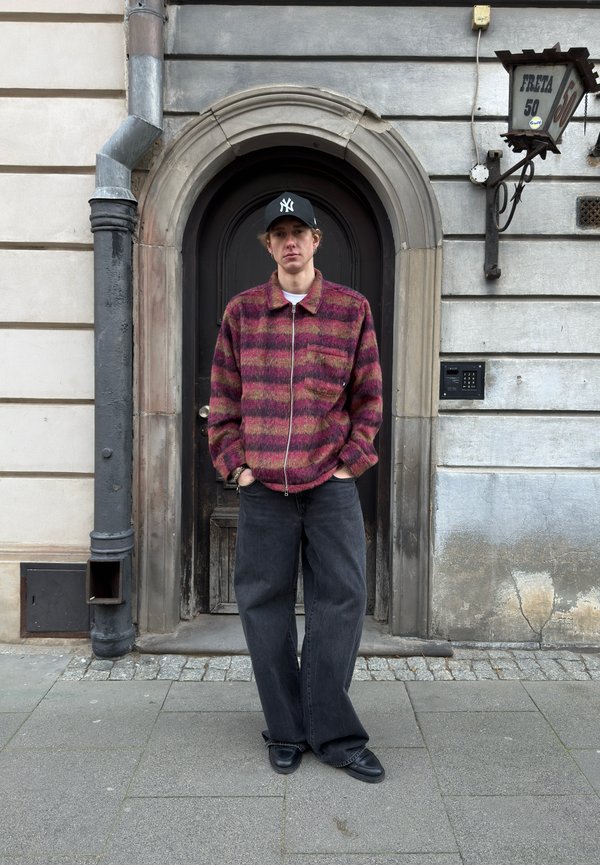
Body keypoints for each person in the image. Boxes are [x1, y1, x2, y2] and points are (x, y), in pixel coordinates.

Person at [208, 191, 384, 783]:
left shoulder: (349, 309)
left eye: (299, 232)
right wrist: (237, 467)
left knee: (342, 604)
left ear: (315, 241)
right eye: (278, 233)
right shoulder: (241, 313)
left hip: (329, 486)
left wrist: (351, 463)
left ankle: (333, 733)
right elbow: (224, 400)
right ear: (268, 245)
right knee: (264, 610)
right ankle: (285, 729)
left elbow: (369, 399)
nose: (289, 242)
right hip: (264, 491)